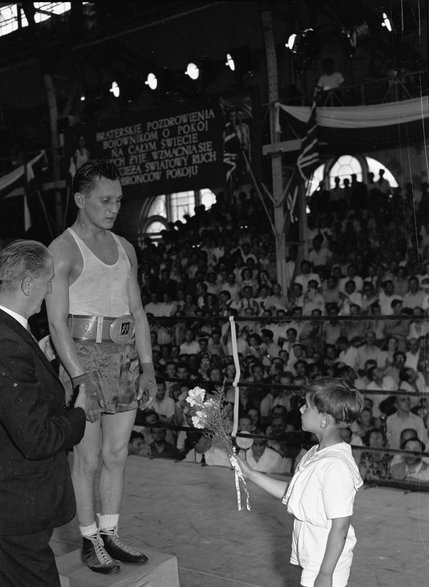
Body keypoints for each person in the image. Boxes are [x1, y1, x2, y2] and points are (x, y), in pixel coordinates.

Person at [46, 160, 157, 574]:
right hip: (83, 360)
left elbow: (139, 311)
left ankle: (110, 532)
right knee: (86, 459)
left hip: (124, 357)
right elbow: (56, 323)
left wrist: (148, 366)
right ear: (81, 199)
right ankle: (90, 539)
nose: (113, 208)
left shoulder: (126, 247)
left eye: (118, 200)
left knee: (117, 452)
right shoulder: (61, 250)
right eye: (105, 200)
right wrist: (80, 380)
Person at [0, 240, 88, 586]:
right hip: (17, 506)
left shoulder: (13, 334)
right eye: (47, 279)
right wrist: (78, 414)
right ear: (26, 285)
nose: (51, 287)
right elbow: (36, 438)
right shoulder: (7, 344)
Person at [234, 377, 363, 587]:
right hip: (313, 554)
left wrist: (325, 574)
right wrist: (250, 473)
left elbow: (341, 525)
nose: (301, 409)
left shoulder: (335, 466)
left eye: (307, 406)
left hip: (325, 563)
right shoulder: (315, 452)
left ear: (324, 420)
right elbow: (294, 492)